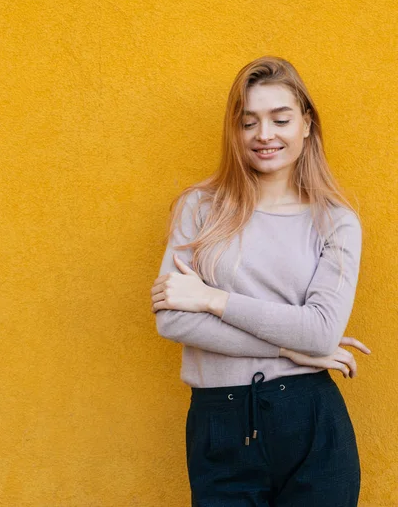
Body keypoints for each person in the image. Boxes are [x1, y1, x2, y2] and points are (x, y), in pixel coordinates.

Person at [150, 55, 371, 507]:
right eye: (248, 122)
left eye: (280, 119)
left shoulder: (335, 222)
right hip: (219, 423)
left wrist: (212, 299)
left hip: (310, 421)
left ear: (307, 125)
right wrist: (290, 348)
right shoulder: (199, 208)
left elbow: (321, 330)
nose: (264, 135)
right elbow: (173, 321)